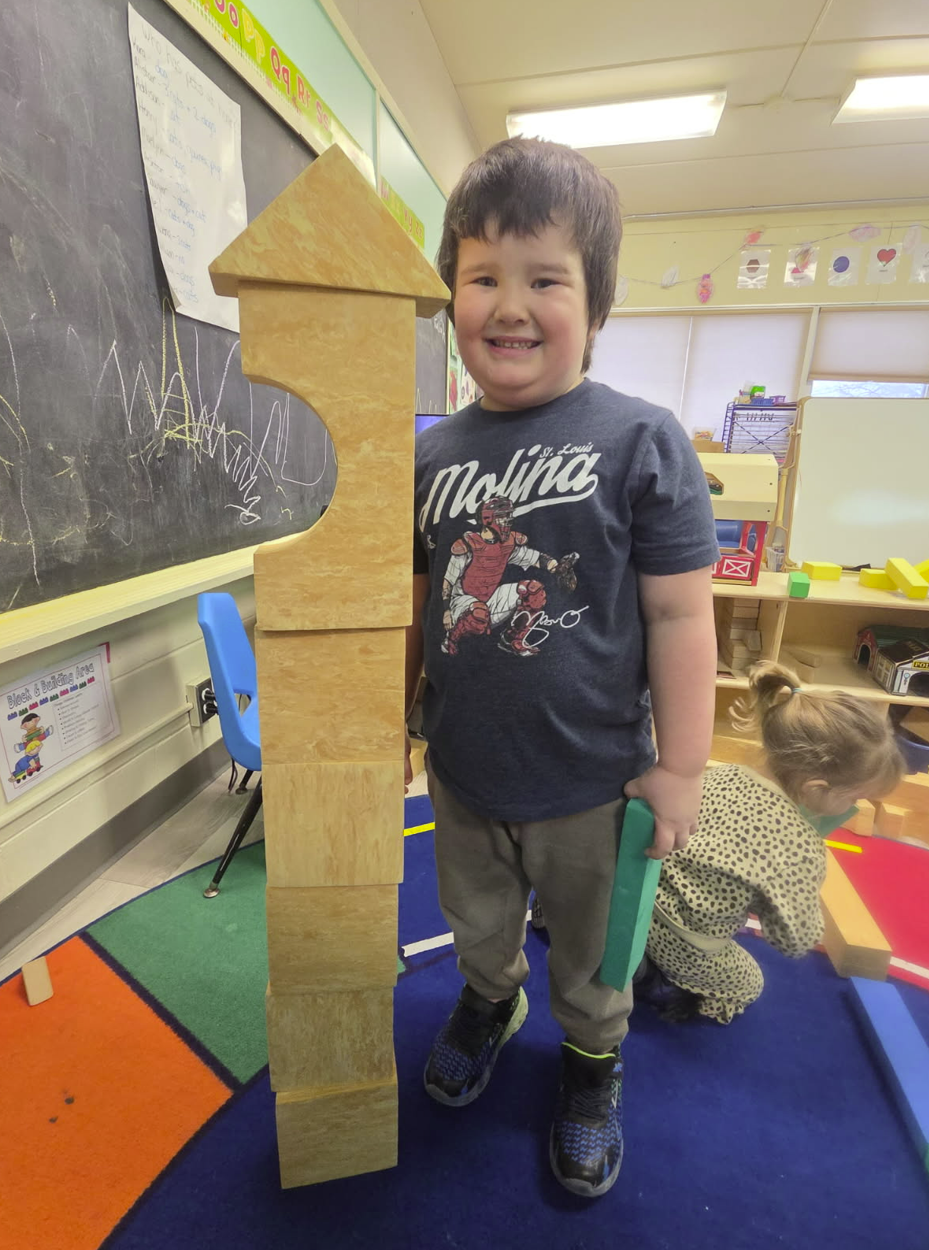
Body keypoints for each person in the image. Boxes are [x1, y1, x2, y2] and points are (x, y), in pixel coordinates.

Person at [405, 137, 720, 1199]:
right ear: (452, 296)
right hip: (461, 769)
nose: (508, 302)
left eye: (544, 278)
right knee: (477, 924)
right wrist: (394, 715)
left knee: (593, 958)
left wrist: (681, 767)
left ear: (595, 305)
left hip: (594, 784)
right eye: (481, 275)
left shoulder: (642, 439)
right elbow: (419, 600)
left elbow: (678, 610)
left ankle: (590, 1065)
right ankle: (489, 999)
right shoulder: (432, 453)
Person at [633, 660, 905, 1025]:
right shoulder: (800, 844)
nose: (853, 808)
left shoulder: (722, 774)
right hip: (685, 943)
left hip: (638, 907)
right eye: (853, 797)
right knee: (749, 983)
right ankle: (661, 983)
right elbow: (791, 941)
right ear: (816, 788)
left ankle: (639, 959)